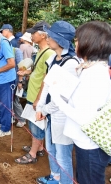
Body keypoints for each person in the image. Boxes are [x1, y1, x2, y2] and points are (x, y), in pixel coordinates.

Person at [48, 21, 111, 184]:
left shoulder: (95, 75)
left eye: (78, 39)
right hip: (86, 142)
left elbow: (84, 117)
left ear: (91, 43)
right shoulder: (90, 69)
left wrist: (56, 96)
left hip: (91, 147)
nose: (75, 43)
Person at [35, 21, 80, 184]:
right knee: (52, 149)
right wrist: (40, 106)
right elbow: (48, 83)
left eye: (51, 36)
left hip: (62, 116)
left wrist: (45, 109)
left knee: (62, 154)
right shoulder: (54, 58)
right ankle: (55, 177)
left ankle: (65, 181)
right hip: (50, 114)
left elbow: (62, 98)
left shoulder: (71, 63)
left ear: (60, 40)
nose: (47, 39)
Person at [15, 21, 55, 164]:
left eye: (34, 33)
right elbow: (38, 71)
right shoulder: (40, 51)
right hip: (33, 94)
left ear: (43, 35)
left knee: (36, 125)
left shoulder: (49, 53)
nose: (31, 35)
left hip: (38, 97)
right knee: (34, 123)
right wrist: (26, 72)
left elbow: (46, 77)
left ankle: (32, 154)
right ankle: (39, 147)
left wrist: (39, 99)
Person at [0, 24, 26, 128]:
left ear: (7, 31)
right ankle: (13, 116)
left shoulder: (14, 44)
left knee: (14, 99)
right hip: (8, 77)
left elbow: (21, 66)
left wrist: (20, 81)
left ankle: (21, 119)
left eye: (2, 31)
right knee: (10, 99)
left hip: (14, 78)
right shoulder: (7, 42)